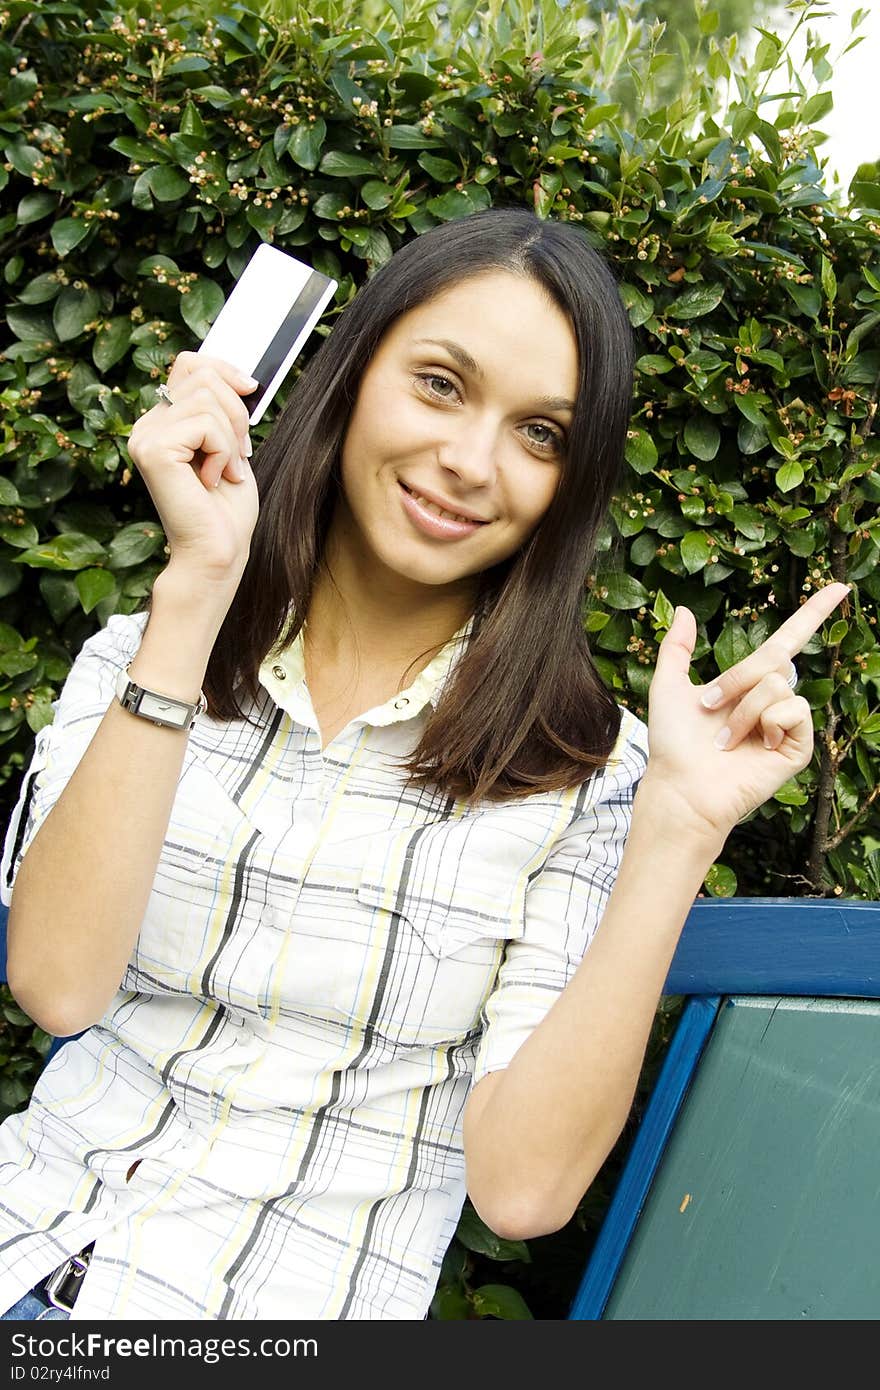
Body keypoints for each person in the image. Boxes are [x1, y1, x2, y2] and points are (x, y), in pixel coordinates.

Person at [0, 206, 848, 1321]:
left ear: (570, 482)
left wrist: (681, 827)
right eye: (441, 384)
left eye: (539, 434)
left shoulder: (586, 775)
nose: (469, 462)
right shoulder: (147, 654)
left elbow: (525, 1188)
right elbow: (57, 985)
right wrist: (196, 591)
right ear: (353, 378)